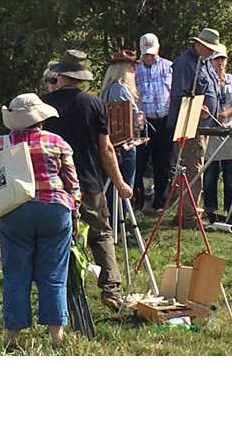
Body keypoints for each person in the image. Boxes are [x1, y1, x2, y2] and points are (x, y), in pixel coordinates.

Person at [0, 93, 81, 350]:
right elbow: (72, 185)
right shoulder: (57, 142)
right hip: (54, 210)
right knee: (53, 275)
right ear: (40, 119)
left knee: (16, 276)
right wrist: (75, 214)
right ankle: (56, 336)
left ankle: (13, 338)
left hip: (15, 211)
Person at [43, 49, 133, 311]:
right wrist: (119, 182)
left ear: (60, 75)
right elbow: (105, 149)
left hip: (53, 183)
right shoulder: (94, 104)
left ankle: (61, 290)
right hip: (88, 181)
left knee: (58, 238)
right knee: (101, 234)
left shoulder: (44, 105)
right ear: (81, 78)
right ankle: (111, 288)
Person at [167, 28, 224, 228]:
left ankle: (189, 209)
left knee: (196, 167)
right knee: (192, 168)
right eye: (208, 48)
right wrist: (197, 107)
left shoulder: (205, 63)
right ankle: (188, 215)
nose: (211, 52)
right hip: (190, 126)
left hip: (203, 126)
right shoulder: (185, 64)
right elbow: (179, 95)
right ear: (198, 44)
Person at [100, 49, 143, 217]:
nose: (134, 70)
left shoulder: (109, 88)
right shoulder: (120, 89)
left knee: (113, 187)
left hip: (114, 143)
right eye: (131, 67)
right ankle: (121, 224)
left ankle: (116, 223)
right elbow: (130, 118)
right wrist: (140, 120)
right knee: (124, 186)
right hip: (123, 144)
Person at [202, 47, 232, 224]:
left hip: (230, 129)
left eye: (222, 59)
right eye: (216, 59)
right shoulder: (206, 81)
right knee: (211, 174)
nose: (220, 62)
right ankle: (210, 210)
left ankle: (231, 210)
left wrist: (225, 114)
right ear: (210, 62)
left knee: (230, 174)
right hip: (212, 130)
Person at [134, 33, 173, 213]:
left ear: (158, 49)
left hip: (164, 120)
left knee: (162, 163)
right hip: (142, 122)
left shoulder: (169, 67)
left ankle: (160, 202)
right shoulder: (134, 69)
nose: (149, 57)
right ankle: (138, 202)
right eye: (146, 54)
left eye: (152, 53)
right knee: (139, 163)